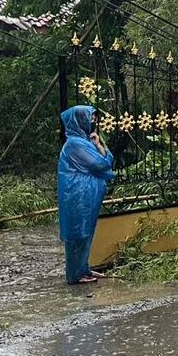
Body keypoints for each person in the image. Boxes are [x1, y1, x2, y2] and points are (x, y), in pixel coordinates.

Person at [58, 106, 114, 285]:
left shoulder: (85, 142)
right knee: (77, 234)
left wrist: (98, 144)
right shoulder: (75, 144)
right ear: (79, 120)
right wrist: (100, 152)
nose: (93, 123)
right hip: (77, 195)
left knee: (86, 231)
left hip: (86, 195)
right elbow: (101, 164)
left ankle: (83, 268)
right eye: (91, 119)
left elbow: (108, 160)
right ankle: (75, 275)